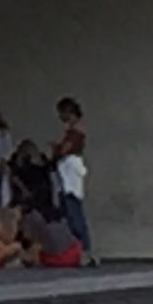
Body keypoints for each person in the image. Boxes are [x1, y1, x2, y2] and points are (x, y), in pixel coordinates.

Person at [51, 98, 92, 257]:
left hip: (70, 170)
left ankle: (83, 247)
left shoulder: (75, 131)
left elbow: (65, 150)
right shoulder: (74, 130)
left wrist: (57, 149)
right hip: (67, 169)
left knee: (73, 208)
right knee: (68, 208)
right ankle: (75, 247)